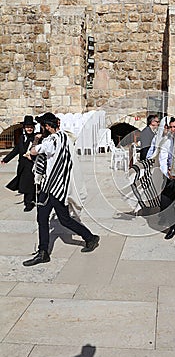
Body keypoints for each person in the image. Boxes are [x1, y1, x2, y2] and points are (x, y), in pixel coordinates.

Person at [23, 112, 100, 267]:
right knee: (45, 217)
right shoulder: (65, 137)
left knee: (60, 219)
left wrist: (36, 140)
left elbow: (32, 152)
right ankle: (43, 251)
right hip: (59, 186)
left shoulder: (50, 141)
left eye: (43, 126)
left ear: (47, 126)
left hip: (53, 186)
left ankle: (89, 238)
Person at [1, 115, 37, 212]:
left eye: (31, 127)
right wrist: (6, 159)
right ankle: (32, 199)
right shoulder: (21, 137)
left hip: (31, 165)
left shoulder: (36, 138)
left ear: (33, 128)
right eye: (27, 127)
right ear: (24, 128)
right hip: (22, 165)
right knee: (24, 183)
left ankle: (28, 203)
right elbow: (16, 150)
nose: (29, 129)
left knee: (28, 184)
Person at [158, 117, 175, 240]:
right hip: (171, 176)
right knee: (165, 201)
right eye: (172, 127)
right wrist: (167, 173)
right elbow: (162, 158)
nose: (173, 129)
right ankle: (174, 225)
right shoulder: (167, 140)